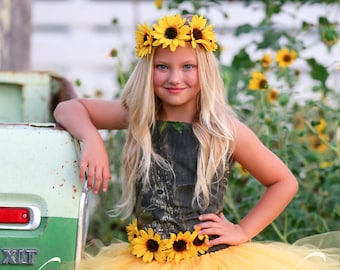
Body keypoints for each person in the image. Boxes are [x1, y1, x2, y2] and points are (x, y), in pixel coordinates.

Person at [54, 14, 339, 270]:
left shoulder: (223, 130)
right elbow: (67, 108)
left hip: (209, 259)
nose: (175, 78)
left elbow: (284, 182)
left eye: (188, 66)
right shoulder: (140, 116)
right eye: (162, 66)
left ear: (205, 70)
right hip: (144, 258)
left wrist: (242, 230)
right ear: (147, 69)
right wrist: (92, 139)